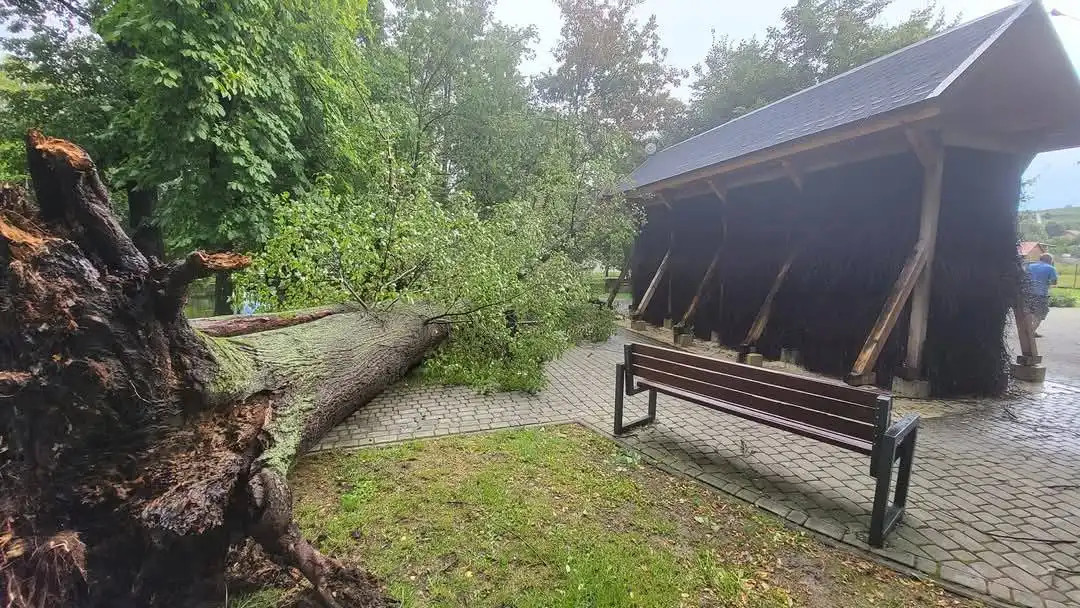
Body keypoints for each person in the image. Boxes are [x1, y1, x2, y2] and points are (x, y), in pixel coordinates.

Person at [1024, 253, 1058, 337]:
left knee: (1030, 313)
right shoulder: (1051, 268)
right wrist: (1047, 281)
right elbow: (1054, 282)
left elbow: (1024, 277)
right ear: (1050, 260)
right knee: (1040, 314)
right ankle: (1030, 332)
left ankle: (1029, 330)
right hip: (1041, 294)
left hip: (1028, 293)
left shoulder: (1030, 266)